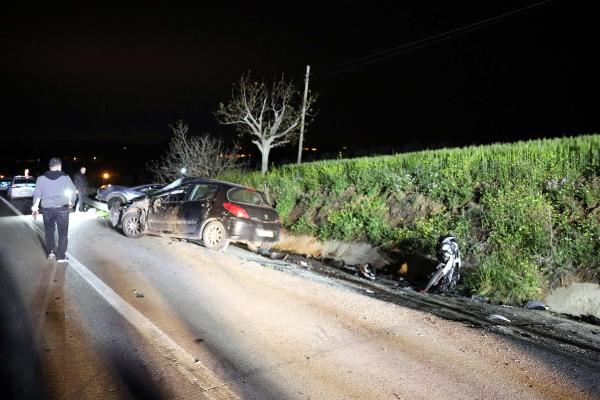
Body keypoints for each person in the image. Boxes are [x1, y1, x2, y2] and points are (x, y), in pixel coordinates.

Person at [31, 158, 77, 262]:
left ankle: (50, 253)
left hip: (47, 209)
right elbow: (73, 191)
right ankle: (61, 256)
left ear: (50, 167)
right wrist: (71, 202)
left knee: (49, 231)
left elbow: (37, 195)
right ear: (60, 166)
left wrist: (35, 207)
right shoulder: (65, 177)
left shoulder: (41, 178)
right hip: (62, 209)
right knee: (63, 233)